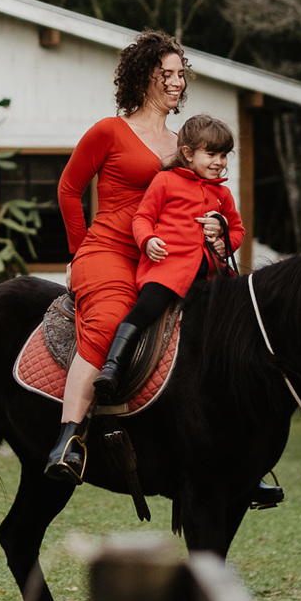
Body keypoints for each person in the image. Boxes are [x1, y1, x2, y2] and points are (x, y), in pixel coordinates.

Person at [45, 30, 186, 482]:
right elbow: (69, 190)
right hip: (107, 250)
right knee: (109, 320)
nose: (176, 82)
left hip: (162, 257)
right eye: (166, 74)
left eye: (180, 74)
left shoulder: (183, 143)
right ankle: (69, 439)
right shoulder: (109, 131)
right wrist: (75, 252)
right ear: (143, 77)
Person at [92, 114, 245, 406]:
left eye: (224, 155)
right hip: (167, 271)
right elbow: (142, 217)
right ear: (188, 153)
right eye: (211, 154)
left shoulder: (223, 194)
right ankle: (113, 365)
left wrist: (224, 243)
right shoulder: (165, 181)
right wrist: (148, 240)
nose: (219, 162)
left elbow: (237, 230)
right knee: (146, 308)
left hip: (209, 276)